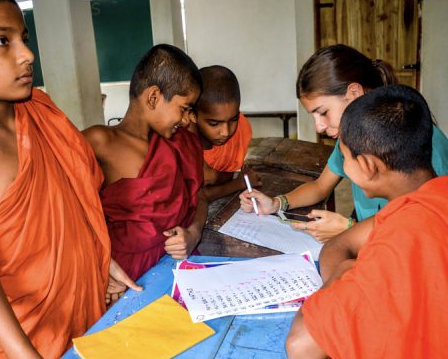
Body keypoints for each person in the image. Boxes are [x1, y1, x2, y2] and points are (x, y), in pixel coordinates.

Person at [0, 0, 139, 359]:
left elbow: (74, 201)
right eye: (2, 41)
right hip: (22, 335)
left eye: (24, 38)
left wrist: (100, 262)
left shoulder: (41, 110)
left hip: (85, 305)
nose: (27, 55)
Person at [285, 85, 448, 359]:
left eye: (344, 157)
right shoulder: (426, 202)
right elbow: (339, 244)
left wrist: (345, 274)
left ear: (367, 166)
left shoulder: (397, 243)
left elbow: (300, 349)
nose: (343, 166)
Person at [240, 44, 448, 242]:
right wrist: (277, 203)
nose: (318, 127)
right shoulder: (348, 139)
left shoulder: (424, 146)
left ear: (355, 94)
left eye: (323, 112)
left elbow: (426, 232)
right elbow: (321, 186)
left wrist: (349, 229)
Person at [83, 44, 208, 282]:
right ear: (153, 97)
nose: (184, 120)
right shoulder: (100, 142)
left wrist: (194, 233)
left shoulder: (182, 144)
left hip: (179, 265)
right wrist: (101, 265)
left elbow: (199, 195)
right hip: (123, 275)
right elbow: (68, 211)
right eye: (183, 109)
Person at [185, 65, 261, 201]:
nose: (226, 132)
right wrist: (240, 183)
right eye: (214, 124)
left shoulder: (240, 130)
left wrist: (214, 177)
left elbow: (226, 175)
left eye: (233, 119)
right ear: (192, 115)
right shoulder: (183, 140)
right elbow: (201, 195)